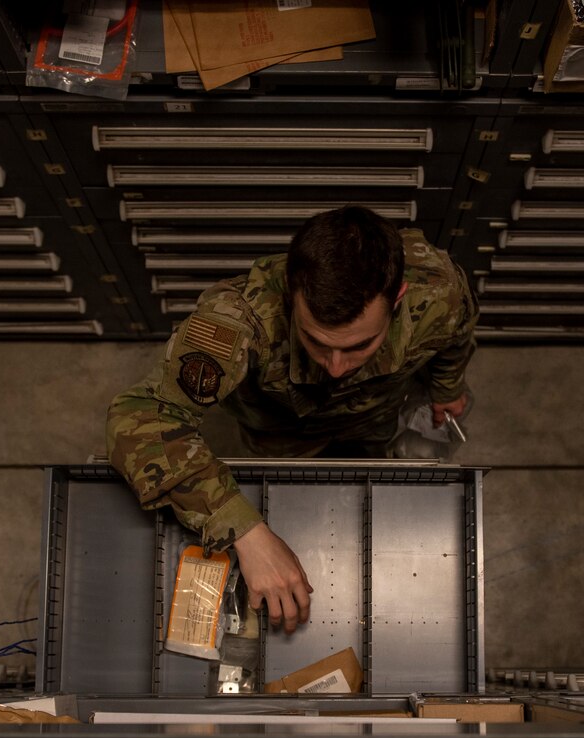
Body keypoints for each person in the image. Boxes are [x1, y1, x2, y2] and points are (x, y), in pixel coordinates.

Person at [107, 205, 478, 635]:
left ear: (398, 299)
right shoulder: (239, 318)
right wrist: (246, 532)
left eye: (360, 346)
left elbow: (456, 334)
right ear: (291, 293)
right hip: (279, 430)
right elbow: (139, 415)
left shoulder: (438, 289)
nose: (337, 367)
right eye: (316, 341)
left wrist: (448, 389)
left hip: (374, 417)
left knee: (372, 464)